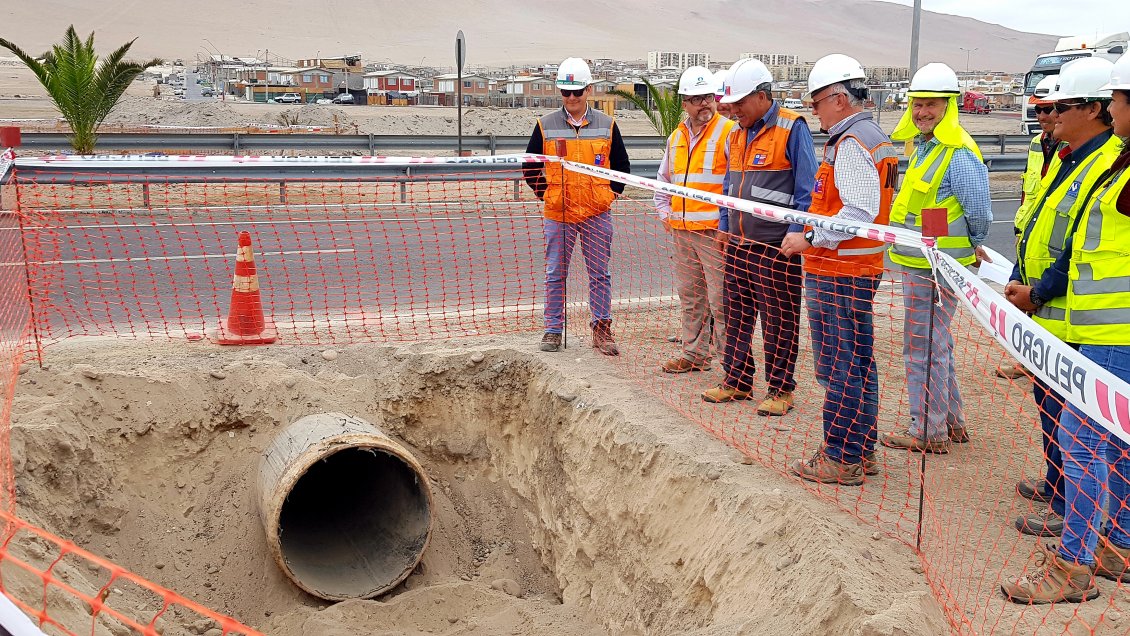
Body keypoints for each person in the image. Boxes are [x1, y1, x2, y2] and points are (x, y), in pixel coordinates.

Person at [1001, 53, 1130, 604]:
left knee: (1083, 447)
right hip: (1096, 331)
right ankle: (1117, 544)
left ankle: (1073, 567)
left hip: (1113, 336)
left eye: (1121, 100)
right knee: (1112, 446)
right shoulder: (1116, 165)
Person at [780, 54, 897, 485]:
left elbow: (859, 211)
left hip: (839, 271)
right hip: (855, 269)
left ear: (839, 99)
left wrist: (809, 238)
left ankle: (841, 455)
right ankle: (860, 448)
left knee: (841, 364)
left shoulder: (851, 143)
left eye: (817, 102)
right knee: (860, 362)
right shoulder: (872, 137)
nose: (814, 110)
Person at [879, 63, 992, 454]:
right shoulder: (927, 147)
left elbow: (980, 212)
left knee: (922, 346)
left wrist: (972, 247)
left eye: (931, 105)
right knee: (935, 343)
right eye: (917, 105)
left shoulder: (958, 152)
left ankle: (928, 430)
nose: (922, 112)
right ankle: (952, 422)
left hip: (938, 267)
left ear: (950, 106)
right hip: (921, 263)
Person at [701, 58, 818, 417]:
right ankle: (737, 380)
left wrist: (798, 232)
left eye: (739, 104)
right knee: (736, 313)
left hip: (774, 247)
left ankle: (781, 389)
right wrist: (723, 223)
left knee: (778, 319)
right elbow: (728, 186)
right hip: (737, 243)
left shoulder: (791, 128)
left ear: (762, 96)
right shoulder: (736, 134)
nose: (733, 110)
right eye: (731, 105)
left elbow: (807, 189)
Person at [523, 57, 630, 356]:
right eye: (566, 92)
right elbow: (530, 166)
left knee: (600, 274)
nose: (571, 98)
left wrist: (609, 196)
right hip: (559, 214)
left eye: (577, 92)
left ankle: (601, 330)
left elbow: (621, 167)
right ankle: (553, 330)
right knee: (555, 273)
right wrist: (548, 194)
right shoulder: (545, 125)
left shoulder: (608, 125)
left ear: (589, 90)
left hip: (597, 213)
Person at [655, 67, 737, 373]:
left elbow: (735, 185)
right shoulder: (676, 137)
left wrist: (727, 227)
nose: (704, 104)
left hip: (715, 234)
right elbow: (663, 181)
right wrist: (666, 214)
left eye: (708, 97)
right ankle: (694, 354)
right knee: (691, 296)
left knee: (722, 299)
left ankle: (732, 364)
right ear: (685, 103)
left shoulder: (729, 132)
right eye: (696, 99)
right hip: (682, 231)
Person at [997, 75, 1062, 381]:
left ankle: (1043, 364)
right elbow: (1029, 187)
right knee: (1025, 300)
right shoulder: (1037, 143)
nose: (1042, 116)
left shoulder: (1073, 145)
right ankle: (1027, 360)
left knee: (1046, 301)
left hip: (1055, 238)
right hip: (1030, 229)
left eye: (1048, 109)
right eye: (1038, 110)